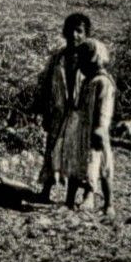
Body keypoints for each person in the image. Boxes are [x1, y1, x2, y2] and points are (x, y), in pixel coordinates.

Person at [37, 13, 93, 201]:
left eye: (79, 31)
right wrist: (44, 109)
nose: (74, 35)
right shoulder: (57, 58)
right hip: (58, 111)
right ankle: (46, 190)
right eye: (70, 31)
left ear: (86, 35)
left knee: (75, 154)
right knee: (52, 150)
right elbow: (45, 84)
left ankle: (70, 197)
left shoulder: (90, 60)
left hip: (79, 114)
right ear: (64, 32)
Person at [57, 38, 117, 214]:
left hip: (96, 130)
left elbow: (104, 108)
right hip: (84, 130)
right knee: (78, 165)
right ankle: (69, 200)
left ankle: (108, 203)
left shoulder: (103, 82)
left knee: (101, 165)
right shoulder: (88, 81)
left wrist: (101, 126)